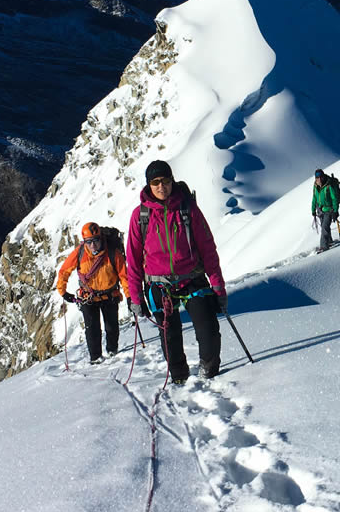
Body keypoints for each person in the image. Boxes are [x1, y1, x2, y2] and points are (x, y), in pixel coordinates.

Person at [126, 160, 227, 384]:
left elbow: (208, 249)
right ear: (148, 185)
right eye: (156, 182)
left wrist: (218, 286)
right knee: (169, 338)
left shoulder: (188, 208)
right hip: (158, 285)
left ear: (172, 180)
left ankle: (209, 373)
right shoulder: (140, 216)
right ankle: (179, 378)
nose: (162, 186)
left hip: (192, 279)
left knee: (209, 331)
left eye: (166, 180)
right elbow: (132, 260)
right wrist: (136, 297)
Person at [56, 222, 130, 364]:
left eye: (95, 240)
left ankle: (112, 350)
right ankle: (95, 358)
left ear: (101, 238)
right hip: (88, 298)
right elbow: (64, 271)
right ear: (84, 242)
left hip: (110, 295)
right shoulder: (80, 253)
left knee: (112, 326)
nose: (92, 245)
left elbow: (124, 277)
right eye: (89, 242)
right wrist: (63, 291)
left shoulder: (113, 253)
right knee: (92, 330)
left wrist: (129, 296)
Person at [311, 169, 340, 251]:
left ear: (323, 176)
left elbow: (334, 198)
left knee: (325, 227)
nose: (319, 179)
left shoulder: (329, 185)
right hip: (320, 209)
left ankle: (324, 246)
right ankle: (329, 241)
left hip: (329, 209)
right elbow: (314, 198)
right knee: (325, 227)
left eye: (321, 177)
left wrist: (335, 211)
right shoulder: (315, 186)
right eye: (317, 177)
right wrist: (313, 210)